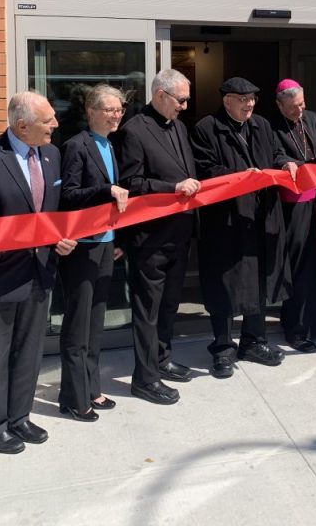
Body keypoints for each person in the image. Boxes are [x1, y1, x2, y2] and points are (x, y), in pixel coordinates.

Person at [0, 91, 77, 453]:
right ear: (22, 125)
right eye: (48, 120)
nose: (55, 125)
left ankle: (19, 417)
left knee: (29, 351)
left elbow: (54, 214)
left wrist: (62, 239)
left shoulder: (52, 155)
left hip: (40, 271)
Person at [191, 77, 297, 378]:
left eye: (252, 99)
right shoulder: (206, 128)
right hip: (226, 221)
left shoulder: (261, 125)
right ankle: (223, 348)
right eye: (243, 100)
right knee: (224, 285)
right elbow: (205, 170)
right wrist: (242, 177)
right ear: (227, 101)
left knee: (259, 280)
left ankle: (253, 341)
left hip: (260, 218)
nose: (249, 105)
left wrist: (287, 162)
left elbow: (276, 154)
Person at [118, 69, 201, 404]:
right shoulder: (133, 131)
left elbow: (187, 172)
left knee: (169, 306)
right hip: (150, 238)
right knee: (148, 310)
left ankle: (163, 359)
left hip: (179, 233)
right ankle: (145, 378)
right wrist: (173, 188)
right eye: (180, 100)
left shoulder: (179, 127)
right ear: (161, 95)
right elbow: (132, 183)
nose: (184, 106)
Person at [57, 85, 129, 420]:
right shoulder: (76, 145)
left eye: (120, 109)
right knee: (78, 325)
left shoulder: (109, 145)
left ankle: (92, 388)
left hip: (105, 244)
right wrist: (105, 190)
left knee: (96, 324)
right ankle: (74, 397)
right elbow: (69, 195)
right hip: (83, 248)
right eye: (111, 109)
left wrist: (116, 239)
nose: (117, 115)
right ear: (91, 112)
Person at [270, 79, 316, 352]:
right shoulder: (272, 127)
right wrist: (290, 163)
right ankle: (296, 329)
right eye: (292, 108)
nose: (300, 111)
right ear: (279, 105)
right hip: (294, 207)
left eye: (301, 104)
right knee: (300, 267)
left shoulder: (313, 118)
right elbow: (274, 155)